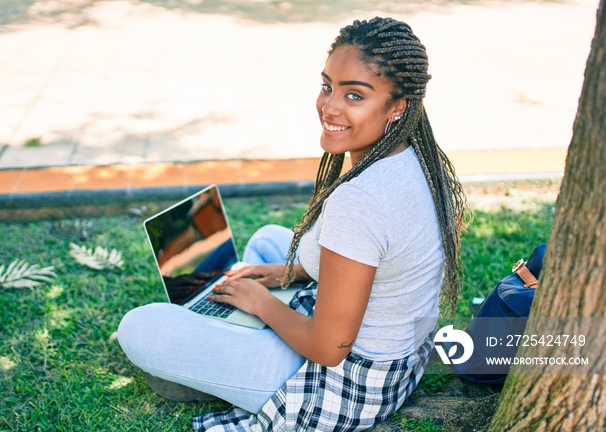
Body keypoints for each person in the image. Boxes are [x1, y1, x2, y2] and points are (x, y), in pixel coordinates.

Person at [117, 17, 467, 431]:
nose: (330, 107)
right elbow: (385, 257)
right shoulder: (415, 159)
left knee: (139, 327)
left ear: (397, 107)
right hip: (400, 355)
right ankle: (223, 343)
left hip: (347, 383)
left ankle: (220, 353)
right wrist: (292, 273)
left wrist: (259, 302)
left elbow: (328, 348)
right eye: (327, 86)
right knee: (269, 242)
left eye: (354, 95)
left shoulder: (361, 200)